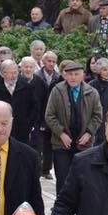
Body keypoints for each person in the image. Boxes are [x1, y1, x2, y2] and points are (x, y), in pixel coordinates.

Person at [44, 61, 103, 193]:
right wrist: (61, 133)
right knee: (63, 178)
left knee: (83, 178)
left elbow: (98, 116)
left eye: (76, 74)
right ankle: (61, 207)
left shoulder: (92, 92)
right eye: (70, 74)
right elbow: (49, 115)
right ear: (65, 75)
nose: (73, 77)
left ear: (82, 75)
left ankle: (81, 206)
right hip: (61, 143)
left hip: (84, 143)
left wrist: (88, 133)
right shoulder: (57, 91)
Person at [0, 60, 35, 144]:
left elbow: (33, 108)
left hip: (22, 132)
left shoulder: (26, 87)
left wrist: (28, 126)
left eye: (15, 72)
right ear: (2, 74)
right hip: (0, 130)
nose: (14, 76)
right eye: (10, 73)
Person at [31, 51, 61, 179]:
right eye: (49, 61)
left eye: (54, 62)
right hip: (39, 113)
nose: (51, 64)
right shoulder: (36, 76)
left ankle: (46, 169)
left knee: (50, 144)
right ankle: (37, 169)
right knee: (38, 143)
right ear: (43, 62)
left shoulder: (58, 77)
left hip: (53, 113)